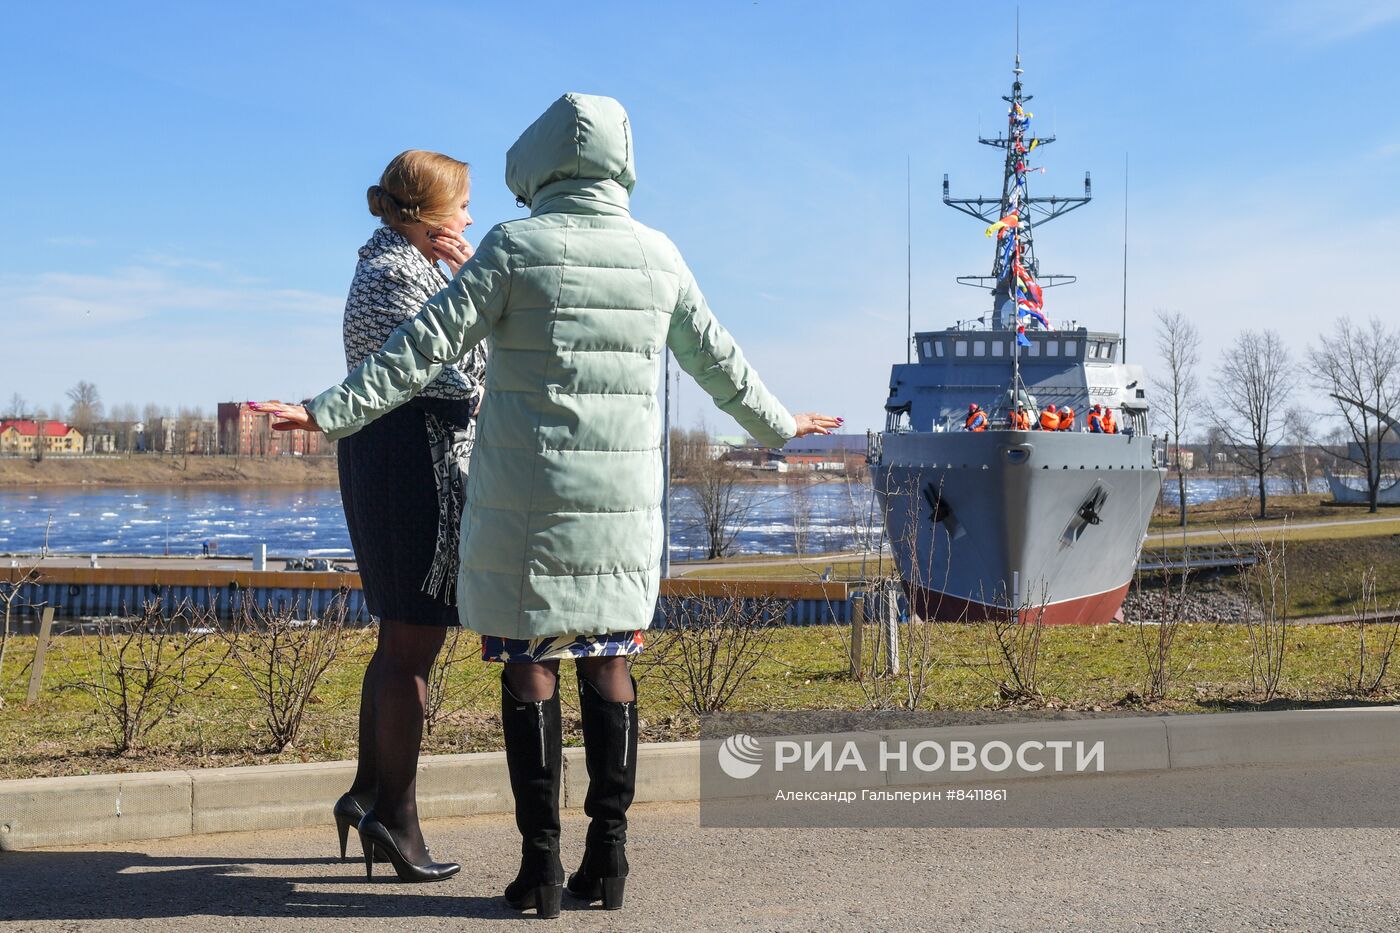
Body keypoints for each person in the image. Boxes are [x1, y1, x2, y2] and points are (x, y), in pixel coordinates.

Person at [256, 93, 840, 918]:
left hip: (522, 507)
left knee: (530, 665)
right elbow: (722, 362)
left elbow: (419, 349)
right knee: (611, 663)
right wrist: (783, 426)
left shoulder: (513, 247)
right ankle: (609, 862)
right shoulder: (658, 255)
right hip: (622, 513)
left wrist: (326, 410)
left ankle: (540, 869)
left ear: (538, 164)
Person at [259, 150, 483, 884]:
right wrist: (473, 290)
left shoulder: (396, 265)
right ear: (424, 214)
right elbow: (460, 387)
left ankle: (366, 795)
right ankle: (396, 819)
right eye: (461, 207)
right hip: (405, 473)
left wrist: (460, 283)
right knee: (409, 649)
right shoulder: (395, 275)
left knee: (399, 643)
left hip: (398, 466)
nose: (469, 219)